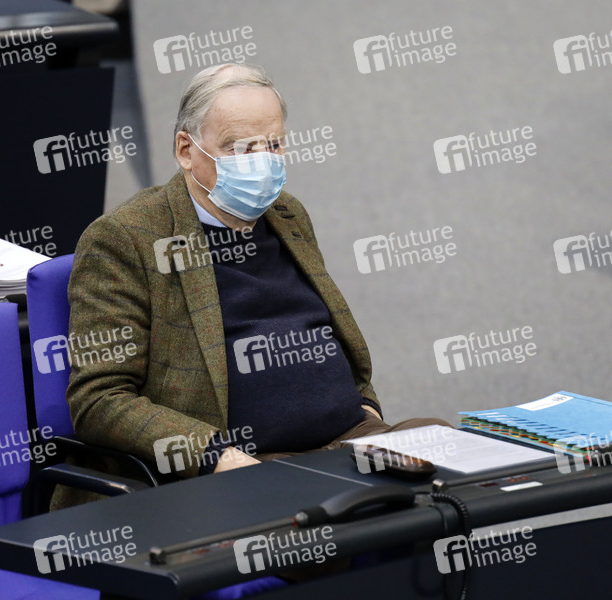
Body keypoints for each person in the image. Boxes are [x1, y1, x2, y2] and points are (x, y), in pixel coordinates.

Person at [53, 63, 448, 509]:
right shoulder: (127, 237)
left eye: (273, 144)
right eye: (239, 147)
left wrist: (366, 409)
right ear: (186, 150)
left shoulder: (287, 214)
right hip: (248, 461)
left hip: (352, 437)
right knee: (355, 522)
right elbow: (100, 400)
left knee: (456, 462)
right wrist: (216, 457)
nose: (262, 161)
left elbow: (327, 330)